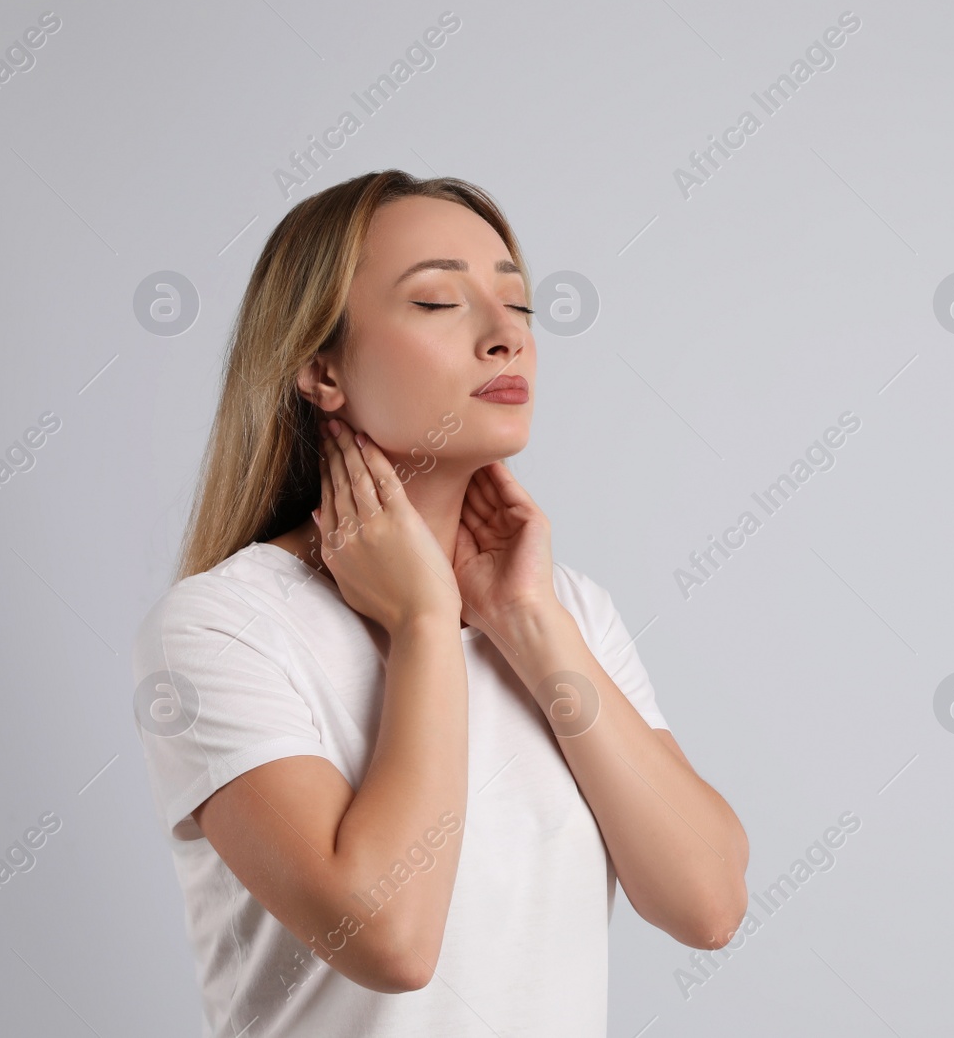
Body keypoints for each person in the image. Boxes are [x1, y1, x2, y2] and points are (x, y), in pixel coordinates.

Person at [130, 169, 749, 1037]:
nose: (506, 337)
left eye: (520, 305)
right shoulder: (223, 629)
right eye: (436, 303)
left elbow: (709, 904)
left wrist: (528, 624)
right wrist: (424, 622)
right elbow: (390, 939)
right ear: (321, 369)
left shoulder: (564, 609)